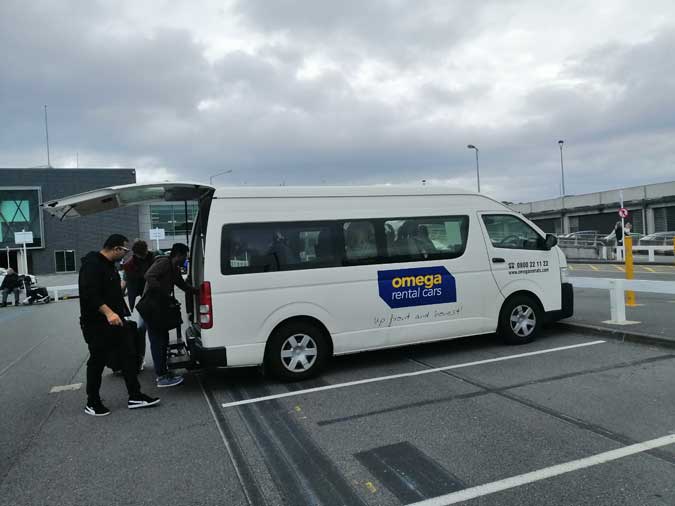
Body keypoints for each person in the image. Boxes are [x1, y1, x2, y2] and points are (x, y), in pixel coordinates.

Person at [79, 234, 159, 416]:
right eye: (124, 250)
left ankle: (135, 396)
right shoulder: (92, 264)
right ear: (115, 248)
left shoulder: (109, 266)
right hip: (97, 324)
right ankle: (92, 402)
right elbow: (89, 293)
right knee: (97, 362)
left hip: (117, 321)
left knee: (129, 357)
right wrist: (108, 313)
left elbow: (113, 290)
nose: (125, 254)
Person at [143, 243, 197, 388]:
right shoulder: (164, 263)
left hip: (158, 307)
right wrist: (162, 294)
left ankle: (164, 372)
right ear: (178, 254)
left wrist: (197, 291)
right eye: (185, 255)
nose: (186, 258)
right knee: (157, 340)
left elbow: (181, 284)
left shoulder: (174, 268)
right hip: (152, 307)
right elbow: (149, 275)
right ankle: (161, 377)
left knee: (163, 338)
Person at [121, 240, 155, 372]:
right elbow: (125, 281)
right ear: (135, 253)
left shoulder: (154, 257)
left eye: (145, 253)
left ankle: (161, 358)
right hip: (144, 301)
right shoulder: (130, 264)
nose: (143, 256)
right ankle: (140, 358)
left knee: (155, 330)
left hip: (156, 297)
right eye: (140, 255)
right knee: (142, 329)